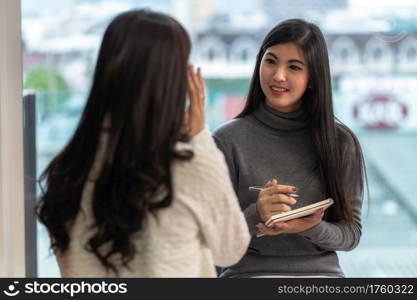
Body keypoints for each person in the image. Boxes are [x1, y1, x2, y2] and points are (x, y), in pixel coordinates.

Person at [37, 9, 250, 277]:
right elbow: (231, 249)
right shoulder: (189, 164)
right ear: (171, 82)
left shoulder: (67, 168)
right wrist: (200, 140)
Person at [213, 19, 366, 278]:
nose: (278, 75)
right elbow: (213, 240)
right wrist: (256, 214)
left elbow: (350, 235)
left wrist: (310, 227)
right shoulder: (227, 140)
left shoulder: (340, 142)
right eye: (270, 61)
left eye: (294, 67)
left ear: (312, 78)